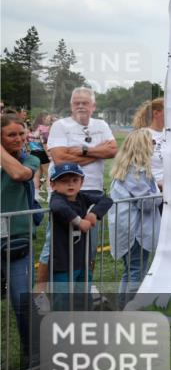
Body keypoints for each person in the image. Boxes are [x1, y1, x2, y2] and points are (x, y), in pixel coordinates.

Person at [39, 87, 118, 288]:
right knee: (53, 245)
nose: (81, 106)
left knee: (89, 246)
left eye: (85, 102)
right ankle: (41, 290)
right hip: (63, 194)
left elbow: (113, 150)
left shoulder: (101, 124)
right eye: (76, 103)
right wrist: (96, 154)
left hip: (93, 191)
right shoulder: (60, 125)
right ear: (71, 106)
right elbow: (59, 158)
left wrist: (83, 150)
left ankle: (85, 285)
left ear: (93, 106)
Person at [45, 163, 112, 310]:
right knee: (62, 303)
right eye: (64, 181)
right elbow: (58, 208)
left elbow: (106, 199)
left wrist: (94, 213)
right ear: (53, 184)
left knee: (83, 300)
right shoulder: (57, 198)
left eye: (75, 180)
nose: (70, 184)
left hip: (82, 262)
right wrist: (79, 221)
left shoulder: (82, 197)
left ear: (82, 182)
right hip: (62, 264)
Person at [1, 114, 40, 362]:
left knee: (23, 302)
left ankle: (32, 361)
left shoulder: (31, 158)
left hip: (17, 240)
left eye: (21, 133)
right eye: (11, 134)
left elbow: (18, 175)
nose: (18, 139)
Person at [108, 129, 161, 302]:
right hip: (135, 231)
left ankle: (123, 308)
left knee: (132, 270)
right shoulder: (136, 172)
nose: (155, 145)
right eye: (151, 142)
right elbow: (146, 203)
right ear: (142, 146)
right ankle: (129, 309)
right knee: (137, 272)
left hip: (129, 228)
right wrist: (162, 194)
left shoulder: (130, 169)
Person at [132, 98, 166, 191]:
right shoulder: (142, 135)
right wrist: (156, 185)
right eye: (168, 110)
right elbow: (136, 169)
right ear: (156, 113)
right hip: (153, 192)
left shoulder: (170, 133)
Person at [28, 113, 52, 199]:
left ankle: (36, 195)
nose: (49, 120)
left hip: (33, 152)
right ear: (43, 119)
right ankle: (49, 195)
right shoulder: (44, 129)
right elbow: (44, 142)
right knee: (48, 174)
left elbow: (28, 142)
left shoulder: (32, 128)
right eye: (47, 118)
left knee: (36, 175)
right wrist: (49, 155)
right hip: (43, 153)